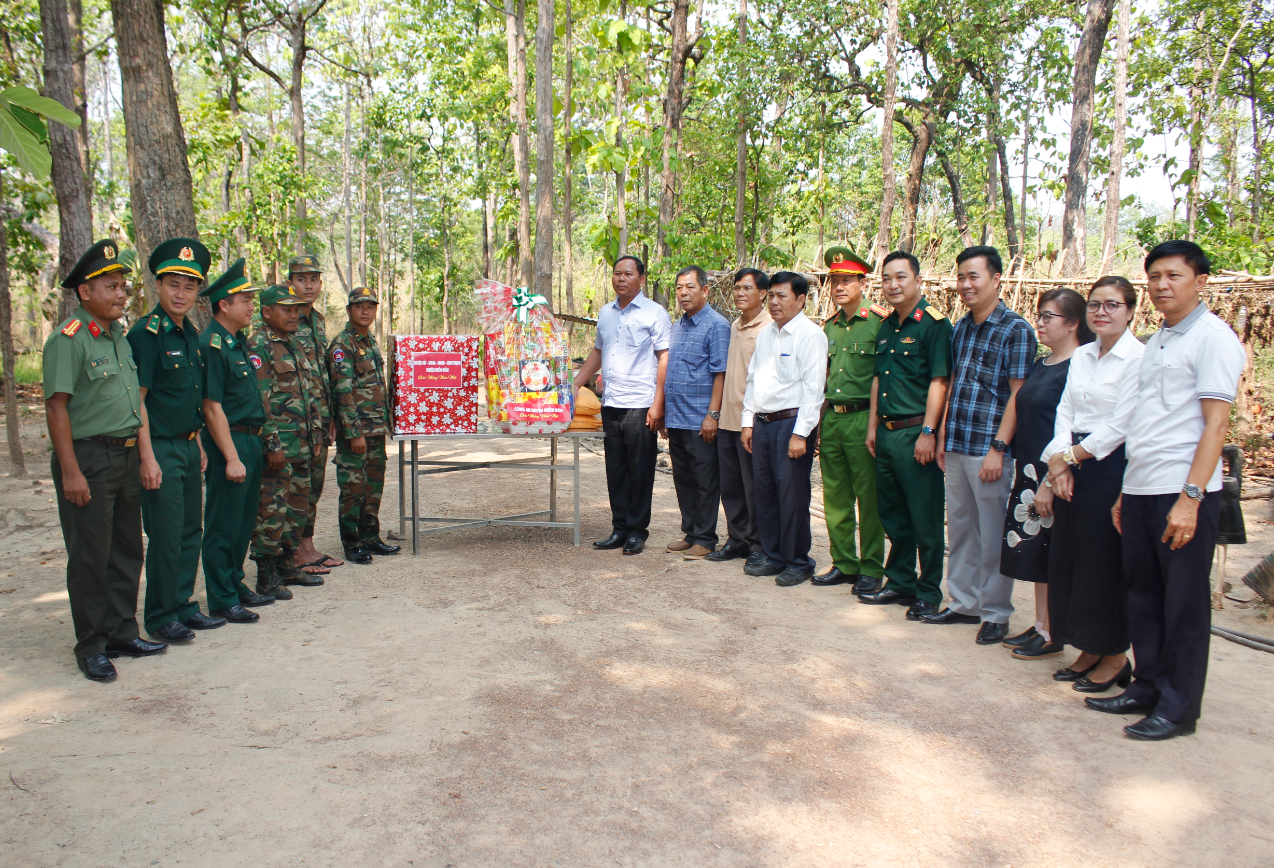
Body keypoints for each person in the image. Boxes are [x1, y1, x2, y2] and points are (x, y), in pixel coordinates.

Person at [1089, 240, 1245, 741]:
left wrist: (1191, 498)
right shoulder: (1158, 341)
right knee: (1143, 594)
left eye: (1173, 276)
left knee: (1183, 603)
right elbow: (1144, 418)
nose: (1161, 285)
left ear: (1200, 281)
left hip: (1182, 491)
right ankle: (1147, 685)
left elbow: (1215, 426)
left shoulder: (1213, 339)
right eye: (1154, 276)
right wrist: (1124, 491)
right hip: (1141, 487)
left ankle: (1178, 708)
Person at [44, 240, 167, 680]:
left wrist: (143, 456)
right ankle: (91, 644)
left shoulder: (118, 337)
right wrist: (72, 470)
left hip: (125, 455)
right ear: (84, 292)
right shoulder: (69, 340)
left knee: (125, 549)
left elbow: (132, 404)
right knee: (90, 554)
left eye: (123, 287)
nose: (121, 295)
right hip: (89, 458)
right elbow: (57, 407)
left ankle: (121, 630)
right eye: (111, 287)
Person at [922, 246, 1036, 645]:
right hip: (956, 444)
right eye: (961, 277)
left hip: (990, 449)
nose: (966, 285)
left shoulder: (1016, 329)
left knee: (992, 534)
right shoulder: (961, 328)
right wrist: (939, 436)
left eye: (974, 277)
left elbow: (1018, 396)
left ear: (996, 279)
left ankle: (996, 613)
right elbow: (953, 386)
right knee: (964, 530)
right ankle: (964, 603)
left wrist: (999, 448)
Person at [1036, 278, 1144, 682]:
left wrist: (1067, 459)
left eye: (1112, 305)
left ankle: (1115, 657)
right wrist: (1060, 463)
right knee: (1071, 561)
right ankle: (1088, 648)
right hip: (1072, 460)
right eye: (1096, 305)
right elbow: (1066, 412)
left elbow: (1121, 425)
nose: (1102, 312)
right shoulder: (1082, 356)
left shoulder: (1138, 358)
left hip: (1109, 467)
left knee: (1103, 564)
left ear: (1130, 311)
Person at [127, 238, 225, 645]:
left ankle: (183, 604)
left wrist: (199, 442)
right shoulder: (147, 334)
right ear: (158, 287)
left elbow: (189, 398)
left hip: (186, 445)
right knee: (165, 534)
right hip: (160, 448)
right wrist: (147, 457)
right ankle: (160, 614)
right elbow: (139, 402)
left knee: (189, 531)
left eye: (189, 286)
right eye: (173, 285)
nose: (181, 294)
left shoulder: (190, 335)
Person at [998, 288, 1092, 660]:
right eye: (1039, 315)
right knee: (1035, 552)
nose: (1039, 322)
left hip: (1055, 471)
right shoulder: (1043, 363)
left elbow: (1069, 427)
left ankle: (1054, 629)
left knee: (1053, 554)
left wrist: (1052, 477)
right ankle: (1041, 624)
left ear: (1072, 324)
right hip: (1029, 470)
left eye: (1048, 317)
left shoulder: (1078, 367)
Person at [860, 251, 951, 620]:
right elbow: (878, 378)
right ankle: (900, 580)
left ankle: (928, 591)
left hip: (916, 433)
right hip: (887, 433)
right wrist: (872, 426)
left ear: (917, 281)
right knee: (893, 514)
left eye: (901, 277)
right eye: (886, 279)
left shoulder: (934, 324)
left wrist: (929, 431)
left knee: (924, 517)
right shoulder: (886, 326)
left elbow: (940, 380)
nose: (893, 285)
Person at [572, 255, 671, 555]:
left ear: (641, 278)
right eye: (617, 273)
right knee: (615, 470)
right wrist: (576, 383)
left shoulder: (655, 313)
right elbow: (598, 352)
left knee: (640, 470)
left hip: (641, 404)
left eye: (628, 274)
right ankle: (619, 528)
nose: (621, 278)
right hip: (611, 402)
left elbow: (664, 357)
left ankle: (637, 532)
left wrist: (658, 404)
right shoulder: (606, 313)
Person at [200, 259, 276, 624]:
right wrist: (230, 457)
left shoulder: (236, 342)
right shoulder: (212, 344)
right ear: (223, 305)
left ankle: (235, 584)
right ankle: (221, 597)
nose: (250, 306)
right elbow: (211, 406)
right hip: (228, 442)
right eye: (244, 299)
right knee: (223, 523)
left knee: (243, 522)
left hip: (250, 440)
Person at [741, 271, 827, 585]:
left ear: (801, 299)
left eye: (782, 296)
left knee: (792, 495)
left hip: (792, 423)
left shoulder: (810, 335)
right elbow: (753, 380)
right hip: (763, 423)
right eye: (772, 296)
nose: (774, 302)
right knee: (764, 492)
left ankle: (798, 561)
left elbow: (814, 389)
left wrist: (801, 433)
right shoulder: (767, 334)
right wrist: (747, 422)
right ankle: (773, 556)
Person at [813, 246, 889, 595]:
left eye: (847, 280)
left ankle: (872, 567)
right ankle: (844, 562)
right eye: (835, 281)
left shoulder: (879, 322)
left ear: (862, 282)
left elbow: (883, 378)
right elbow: (823, 377)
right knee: (836, 495)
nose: (840, 287)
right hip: (833, 418)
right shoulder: (828, 327)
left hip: (863, 418)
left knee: (868, 497)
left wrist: (874, 424)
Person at [248, 284, 327, 599]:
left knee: (297, 507)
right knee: (272, 510)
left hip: (303, 445)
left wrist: (317, 431)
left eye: (296, 309)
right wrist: (272, 444)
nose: (294, 315)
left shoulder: (294, 344)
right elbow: (260, 401)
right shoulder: (259, 345)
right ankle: (266, 575)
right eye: (286, 309)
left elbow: (310, 393)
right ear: (267, 312)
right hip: (280, 447)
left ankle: (287, 565)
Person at [663, 266, 731, 559]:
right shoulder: (677, 327)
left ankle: (705, 537)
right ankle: (690, 533)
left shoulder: (717, 326)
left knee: (705, 480)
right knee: (684, 478)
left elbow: (721, 373)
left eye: (690, 287)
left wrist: (712, 415)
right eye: (679, 287)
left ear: (705, 290)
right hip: (677, 418)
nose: (683, 293)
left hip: (700, 420)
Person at [706, 268, 773, 568]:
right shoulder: (734, 325)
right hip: (728, 420)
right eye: (737, 288)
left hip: (753, 422)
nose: (740, 293)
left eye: (748, 288)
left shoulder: (770, 327)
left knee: (754, 487)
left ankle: (759, 544)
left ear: (763, 293)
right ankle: (737, 539)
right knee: (730, 486)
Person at [328, 287, 400, 560]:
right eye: (360, 307)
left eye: (370, 307)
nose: (365, 311)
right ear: (349, 310)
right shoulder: (342, 345)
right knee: (352, 488)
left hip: (375, 430)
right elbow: (342, 392)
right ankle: (351, 542)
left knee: (373, 486)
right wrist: (353, 432)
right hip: (356, 433)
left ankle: (370, 537)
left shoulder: (368, 341)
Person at [287, 253, 342, 572]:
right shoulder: (285, 318)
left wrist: (331, 414)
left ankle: (307, 547)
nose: (308, 286)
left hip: (319, 418)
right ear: (290, 282)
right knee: (295, 487)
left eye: (313, 279)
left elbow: (322, 372)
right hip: (294, 419)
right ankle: (292, 553)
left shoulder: (318, 320)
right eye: (301, 279)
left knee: (314, 485)